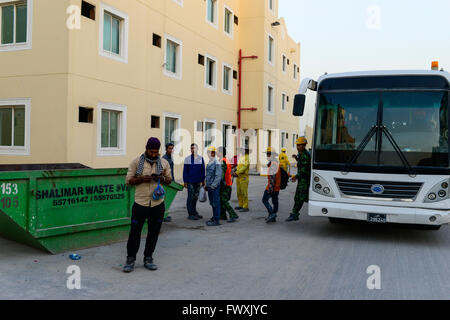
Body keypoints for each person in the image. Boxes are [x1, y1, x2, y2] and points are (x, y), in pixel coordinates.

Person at [123, 137, 172, 273]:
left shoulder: (164, 163)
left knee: (154, 232)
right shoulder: (136, 162)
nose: (153, 155)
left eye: (156, 152)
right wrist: (140, 179)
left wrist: (161, 178)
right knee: (135, 232)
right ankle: (130, 259)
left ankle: (148, 258)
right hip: (140, 203)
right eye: (151, 152)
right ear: (146, 148)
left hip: (158, 203)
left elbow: (169, 180)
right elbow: (128, 181)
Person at [286, 137, 311, 222]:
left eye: (299, 145)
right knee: (300, 197)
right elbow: (301, 162)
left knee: (300, 197)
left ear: (304, 145)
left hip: (304, 180)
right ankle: (295, 213)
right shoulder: (301, 154)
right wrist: (296, 158)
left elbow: (304, 169)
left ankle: (294, 214)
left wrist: (296, 176)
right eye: (297, 145)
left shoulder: (305, 155)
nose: (297, 147)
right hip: (302, 179)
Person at [183, 143, 205, 221]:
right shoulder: (187, 159)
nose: (193, 150)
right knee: (190, 197)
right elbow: (185, 171)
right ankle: (190, 214)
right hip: (190, 182)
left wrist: (203, 181)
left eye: (194, 148)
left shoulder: (200, 159)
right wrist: (185, 181)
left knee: (195, 197)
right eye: (191, 148)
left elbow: (203, 170)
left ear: (197, 149)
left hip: (198, 182)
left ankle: (194, 212)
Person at [217, 147, 239, 223]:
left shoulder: (223, 161)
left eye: (217, 152)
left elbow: (221, 174)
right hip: (227, 183)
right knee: (222, 200)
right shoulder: (226, 160)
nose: (216, 153)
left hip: (224, 184)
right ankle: (222, 215)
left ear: (220, 152)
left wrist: (218, 182)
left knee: (224, 200)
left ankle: (233, 215)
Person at [205, 146, 222, 226]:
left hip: (214, 187)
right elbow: (208, 175)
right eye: (207, 152)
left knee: (215, 203)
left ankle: (216, 220)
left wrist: (213, 186)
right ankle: (214, 216)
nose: (208, 154)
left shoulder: (217, 163)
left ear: (213, 153)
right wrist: (206, 185)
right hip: (210, 186)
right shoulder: (210, 162)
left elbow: (218, 176)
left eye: (209, 152)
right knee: (212, 203)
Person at [263, 148, 281, 223]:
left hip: (272, 187)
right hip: (276, 187)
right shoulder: (275, 163)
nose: (267, 155)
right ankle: (273, 217)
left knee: (264, 200)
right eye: (267, 153)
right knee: (275, 201)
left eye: (269, 154)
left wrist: (269, 190)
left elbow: (272, 178)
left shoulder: (273, 165)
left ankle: (272, 214)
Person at [233, 147, 250, 212]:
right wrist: (235, 169)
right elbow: (239, 166)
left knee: (244, 192)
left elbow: (244, 167)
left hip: (243, 177)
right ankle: (241, 205)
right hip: (239, 177)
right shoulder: (241, 157)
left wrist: (236, 172)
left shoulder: (247, 157)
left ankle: (245, 206)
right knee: (239, 192)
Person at [162, 143, 175, 222]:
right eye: (170, 148)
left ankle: (164, 214)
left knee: (167, 199)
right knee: (163, 199)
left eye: (172, 148)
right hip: (165, 181)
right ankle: (162, 215)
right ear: (166, 149)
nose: (171, 150)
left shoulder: (170, 157)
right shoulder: (164, 158)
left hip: (170, 180)